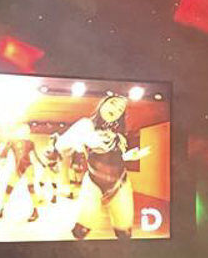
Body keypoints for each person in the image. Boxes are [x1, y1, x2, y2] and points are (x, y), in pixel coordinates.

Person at [50, 94, 149, 241]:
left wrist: (130, 156)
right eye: (113, 103)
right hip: (93, 182)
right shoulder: (86, 125)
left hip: (120, 183)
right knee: (82, 229)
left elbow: (118, 157)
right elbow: (61, 144)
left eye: (120, 109)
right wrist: (82, 139)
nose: (116, 109)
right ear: (102, 104)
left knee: (124, 231)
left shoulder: (119, 136)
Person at [0, 124, 48, 222]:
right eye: (23, 130)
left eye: (27, 131)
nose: (25, 132)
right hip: (18, 167)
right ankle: (1, 209)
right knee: (9, 188)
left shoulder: (30, 143)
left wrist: (42, 164)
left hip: (28, 166)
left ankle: (36, 211)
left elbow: (35, 156)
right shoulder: (12, 141)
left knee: (31, 188)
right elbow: (3, 154)